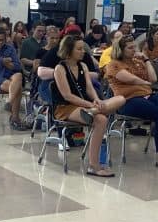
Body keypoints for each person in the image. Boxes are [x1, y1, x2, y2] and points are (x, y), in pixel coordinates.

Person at [105, 35, 158, 169]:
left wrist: (146, 59)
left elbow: (153, 78)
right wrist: (144, 82)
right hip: (127, 100)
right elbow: (130, 79)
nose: (134, 50)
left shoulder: (138, 61)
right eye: (130, 48)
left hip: (146, 95)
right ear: (121, 50)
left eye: (134, 47)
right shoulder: (114, 64)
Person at [52, 35, 124, 178]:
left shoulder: (83, 66)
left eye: (83, 48)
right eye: (79, 49)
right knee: (102, 120)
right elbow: (67, 96)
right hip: (66, 108)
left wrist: (97, 100)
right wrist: (90, 104)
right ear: (69, 50)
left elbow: (89, 89)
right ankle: (94, 165)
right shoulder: (59, 69)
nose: (83, 51)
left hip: (86, 106)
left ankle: (93, 111)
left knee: (120, 99)